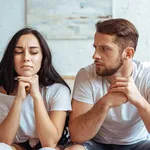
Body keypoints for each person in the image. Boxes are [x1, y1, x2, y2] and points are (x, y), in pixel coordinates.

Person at [65, 18, 150, 150]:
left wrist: (140, 101)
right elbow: (77, 136)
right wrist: (105, 103)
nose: (95, 55)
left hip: (139, 143)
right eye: (95, 48)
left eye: (104, 49)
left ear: (128, 53)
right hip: (98, 144)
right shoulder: (86, 75)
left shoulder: (147, 75)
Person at [0, 28, 71, 150]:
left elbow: (49, 143)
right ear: (11, 58)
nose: (26, 58)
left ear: (43, 57)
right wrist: (19, 99)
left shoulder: (58, 90)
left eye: (33, 52)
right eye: (18, 52)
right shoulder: (2, 91)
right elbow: (4, 141)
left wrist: (36, 96)